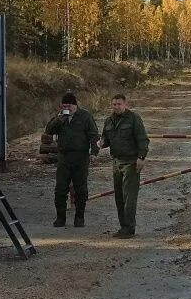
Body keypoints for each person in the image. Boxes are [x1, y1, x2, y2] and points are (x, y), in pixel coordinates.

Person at [43, 91, 99, 228]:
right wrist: (58, 119)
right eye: (64, 106)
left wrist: (94, 152)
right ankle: (60, 218)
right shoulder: (60, 117)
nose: (67, 109)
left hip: (81, 156)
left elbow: (94, 135)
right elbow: (48, 131)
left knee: (81, 189)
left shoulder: (85, 116)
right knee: (60, 188)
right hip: (64, 156)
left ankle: (79, 217)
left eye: (69, 106)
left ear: (75, 105)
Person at [99, 93, 149, 238]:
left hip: (131, 162)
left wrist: (141, 157)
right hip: (116, 162)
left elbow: (142, 139)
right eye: (114, 104)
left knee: (129, 196)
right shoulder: (109, 121)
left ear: (125, 104)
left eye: (119, 104)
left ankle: (129, 227)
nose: (116, 107)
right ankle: (123, 227)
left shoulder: (134, 119)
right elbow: (105, 139)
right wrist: (101, 143)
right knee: (119, 196)